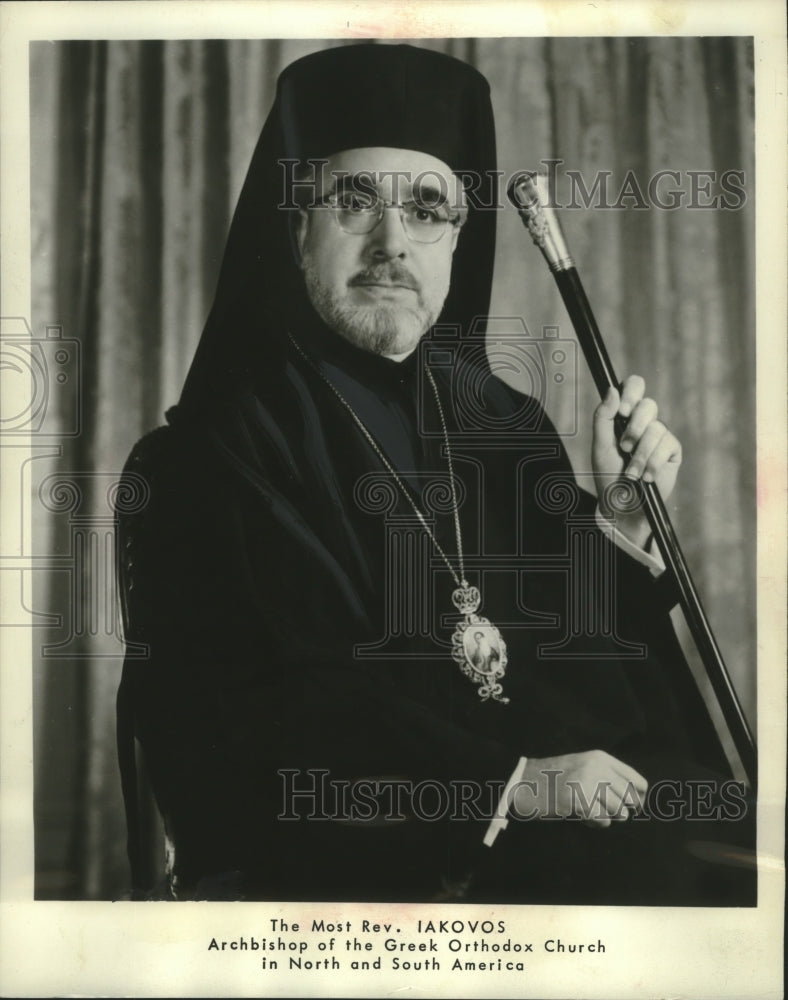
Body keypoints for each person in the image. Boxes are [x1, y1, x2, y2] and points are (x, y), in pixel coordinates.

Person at [116, 42, 755, 904]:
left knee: (737, 857)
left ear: (461, 237)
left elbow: (588, 686)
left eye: (427, 210)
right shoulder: (216, 449)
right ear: (295, 222)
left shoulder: (503, 426)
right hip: (352, 882)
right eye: (353, 201)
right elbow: (266, 709)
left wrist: (617, 524)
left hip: (545, 857)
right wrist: (513, 781)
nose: (392, 245)